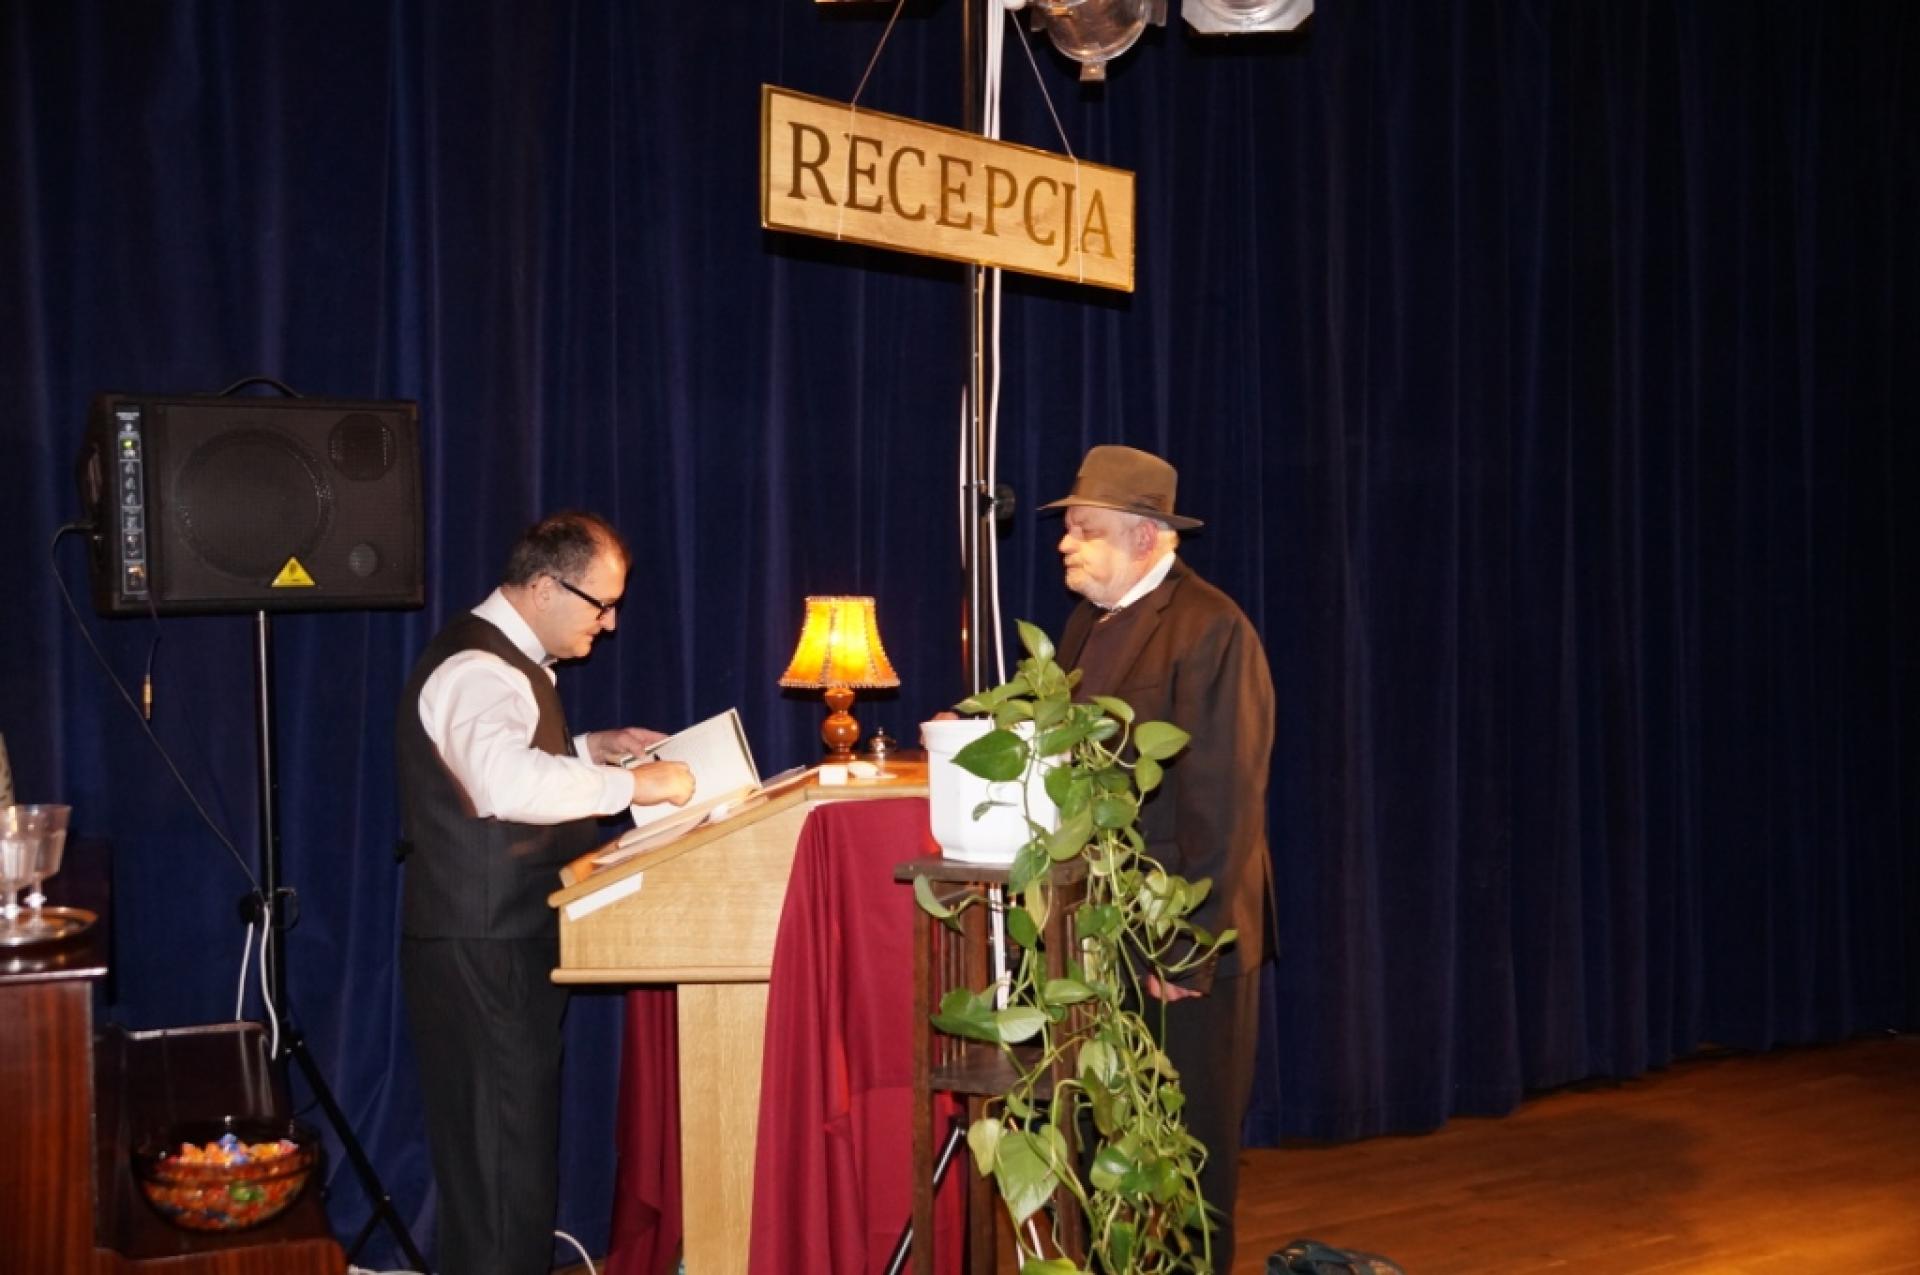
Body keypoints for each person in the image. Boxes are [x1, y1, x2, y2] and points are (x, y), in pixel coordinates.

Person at [394, 510, 695, 1275]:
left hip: (497, 948)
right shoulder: (478, 668)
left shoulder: (504, 664)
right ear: (543, 587)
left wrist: (591, 748)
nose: (611, 622)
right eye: (602, 603)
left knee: (507, 1170)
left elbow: (496, 766)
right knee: (503, 1178)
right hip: (485, 952)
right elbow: (501, 781)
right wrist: (635, 784)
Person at [1040, 445, 1275, 1272]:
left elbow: (1225, 796)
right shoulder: (1088, 623)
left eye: (1085, 529)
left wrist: (1185, 945)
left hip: (1183, 945)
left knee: (1186, 1157)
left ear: (1144, 536)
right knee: (1112, 1148)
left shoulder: (1212, 627)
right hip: (1105, 933)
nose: (1066, 543)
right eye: (1069, 528)